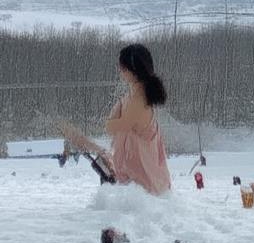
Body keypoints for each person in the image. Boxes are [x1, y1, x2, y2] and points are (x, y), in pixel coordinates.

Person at [60, 44, 172, 195]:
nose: (119, 70)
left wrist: (112, 119)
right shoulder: (133, 98)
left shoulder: (138, 102)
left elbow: (111, 127)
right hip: (139, 185)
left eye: (122, 67)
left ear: (133, 70)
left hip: (146, 189)